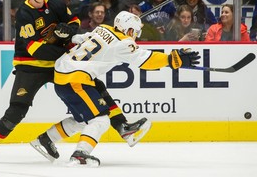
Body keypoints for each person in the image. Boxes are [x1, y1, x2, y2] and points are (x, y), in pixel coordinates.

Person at [0, 0, 151, 163]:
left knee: (95, 85)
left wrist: (70, 31)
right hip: (31, 66)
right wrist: (68, 52)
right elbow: (35, 50)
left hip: (60, 64)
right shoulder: (25, 14)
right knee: (17, 110)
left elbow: (73, 21)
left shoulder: (56, 2)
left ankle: (122, 127)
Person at [30, 10, 201, 166]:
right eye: (135, 32)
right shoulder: (124, 42)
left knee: (84, 121)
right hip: (76, 79)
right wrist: (171, 59)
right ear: (130, 30)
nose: (136, 36)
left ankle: (46, 139)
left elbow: (80, 38)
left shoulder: (102, 28)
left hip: (64, 76)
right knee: (100, 120)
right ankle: (81, 154)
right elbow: (145, 59)